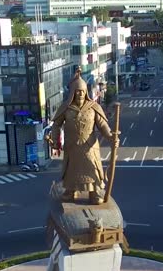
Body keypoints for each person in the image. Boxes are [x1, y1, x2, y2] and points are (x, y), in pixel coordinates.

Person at [47, 68, 118, 205]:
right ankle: (70, 191)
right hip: (72, 147)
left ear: (86, 92)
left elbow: (102, 125)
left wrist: (110, 136)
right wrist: (55, 140)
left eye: (83, 91)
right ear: (73, 92)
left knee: (93, 169)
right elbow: (56, 124)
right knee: (71, 170)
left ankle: (94, 192)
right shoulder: (66, 108)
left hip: (89, 147)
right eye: (77, 91)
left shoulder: (94, 107)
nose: (80, 93)